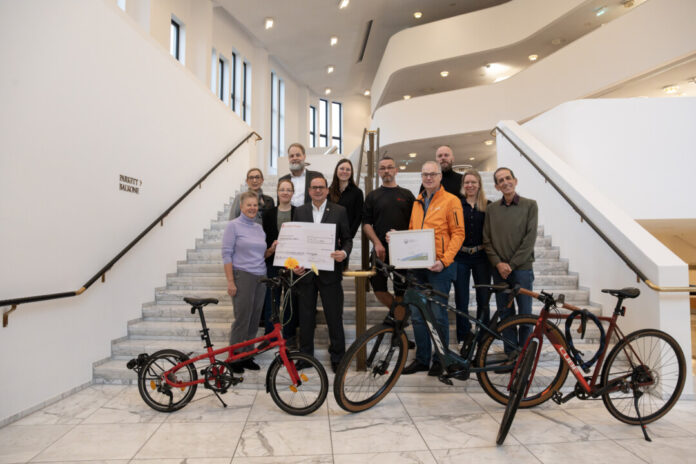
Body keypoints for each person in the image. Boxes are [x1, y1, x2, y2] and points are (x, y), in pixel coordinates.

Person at [401, 160, 465, 377]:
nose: (428, 178)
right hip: (418, 266)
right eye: (425, 174)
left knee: (438, 315)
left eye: (432, 174)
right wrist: (397, 240)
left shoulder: (452, 200)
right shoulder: (417, 201)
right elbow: (412, 231)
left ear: (440, 177)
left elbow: (458, 234)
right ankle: (421, 359)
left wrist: (445, 261)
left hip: (440, 267)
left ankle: (440, 359)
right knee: (418, 315)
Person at [293, 175, 352, 373]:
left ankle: (338, 357)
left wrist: (343, 253)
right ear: (309, 191)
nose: (318, 190)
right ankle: (305, 356)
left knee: (334, 316)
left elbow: (347, 239)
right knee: (306, 316)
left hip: (330, 273)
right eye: (314, 187)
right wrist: (294, 264)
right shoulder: (300, 211)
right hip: (306, 273)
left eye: (321, 187)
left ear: (327, 190)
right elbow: (296, 240)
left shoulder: (339, 211)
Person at [483, 167, 538, 356]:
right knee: (505, 315)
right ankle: (510, 355)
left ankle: (523, 357)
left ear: (515, 181)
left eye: (508, 178)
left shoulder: (530, 205)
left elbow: (529, 239)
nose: (505, 182)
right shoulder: (491, 209)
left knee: (525, 315)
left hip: (522, 270)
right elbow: (487, 240)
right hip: (499, 271)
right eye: (500, 180)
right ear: (497, 187)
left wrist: (511, 265)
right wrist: (499, 264)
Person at [222, 191, 270, 373]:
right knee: (242, 319)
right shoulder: (232, 226)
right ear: (241, 207)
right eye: (248, 205)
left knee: (254, 319)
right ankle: (234, 358)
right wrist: (230, 281)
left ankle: (247, 355)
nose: (252, 208)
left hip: (261, 276)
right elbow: (226, 254)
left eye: (255, 205)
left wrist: (271, 250)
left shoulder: (259, 228)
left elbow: (260, 254)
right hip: (243, 276)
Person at [362, 156, 414, 309]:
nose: (386, 171)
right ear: (378, 172)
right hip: (380, 251)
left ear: (396, 170)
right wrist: (377, 243)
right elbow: (366, 223)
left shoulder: (407, 195)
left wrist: (402, 237)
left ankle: (398, 327)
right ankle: (400, 317)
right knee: (378, 289)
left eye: (390, 167)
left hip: (404, 251)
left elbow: (416, 223)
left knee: (401, 292)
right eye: (383, 168)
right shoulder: (372, 196)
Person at [453, 170, 492, 357]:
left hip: (481, 257)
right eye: (467, 182)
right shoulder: (456, 205)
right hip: (460, 257)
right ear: (463, 185)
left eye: (473, 182)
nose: (470, 185)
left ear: (479, 184)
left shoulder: (488, 206)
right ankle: (463, 335)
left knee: (483, 299)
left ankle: (483, 337)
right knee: (461, 298)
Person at [261, 179, 298, 342]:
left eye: (288, 189)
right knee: (272, 301)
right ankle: (270, 335)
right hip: (273, 262)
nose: (285, 192)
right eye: (282, 189)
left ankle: (289, 335)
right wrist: (270, 248)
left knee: (290, 300)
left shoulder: (299, 212)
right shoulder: (268, 214)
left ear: (292, 192)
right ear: (277, 192)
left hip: (293, 264)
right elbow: (264, 238)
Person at [328, 158, 364, 239]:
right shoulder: (329, 191)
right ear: (336, 170)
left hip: (346, 237)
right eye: (342, 168)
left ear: (351, 173)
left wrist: (348, 237)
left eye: (348, 169)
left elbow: (358, 217)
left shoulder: (357, 193)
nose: (344, 171)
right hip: (330, 236)